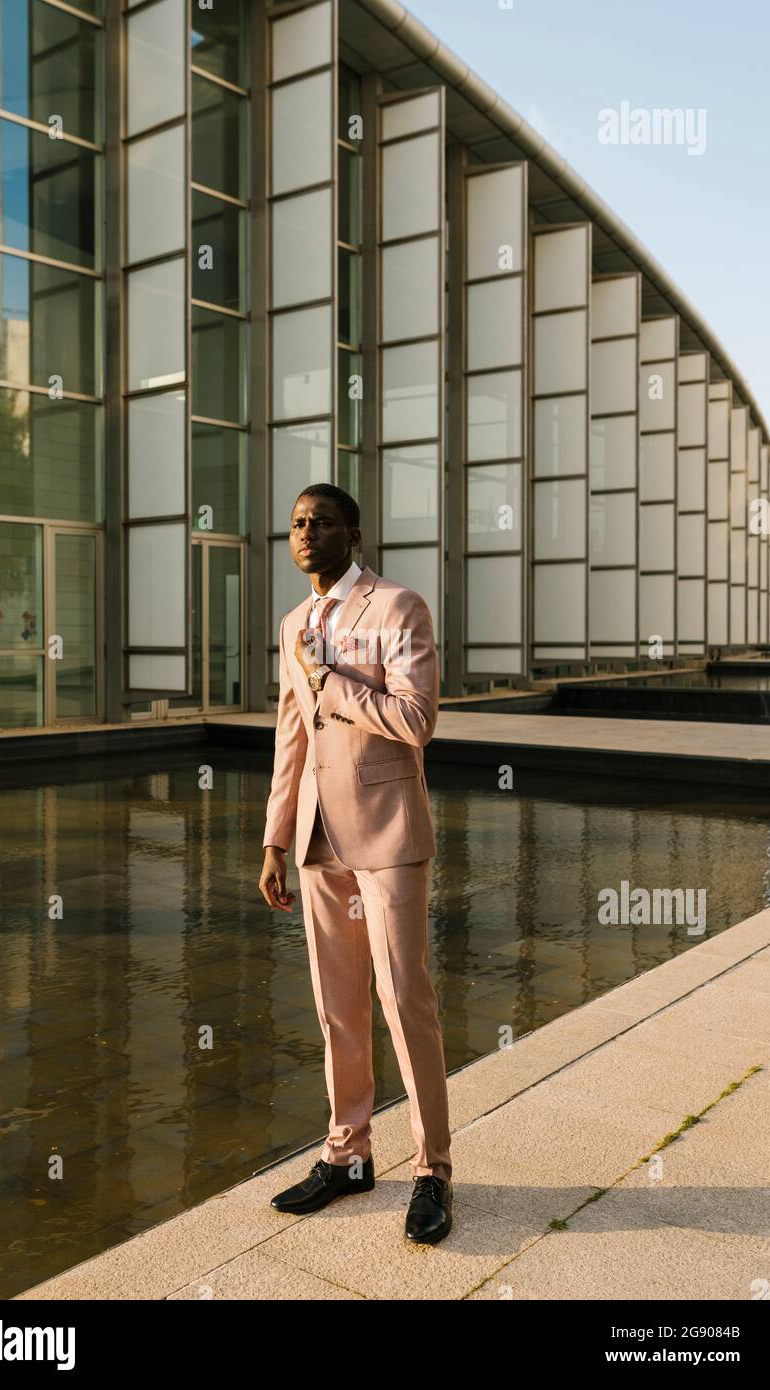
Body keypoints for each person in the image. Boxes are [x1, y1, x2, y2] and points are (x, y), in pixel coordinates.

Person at [258, 483, 453, 1245]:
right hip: (316, 839)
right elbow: (290, 737)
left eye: (322, 521)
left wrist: (328, 680)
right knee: (336, 1004)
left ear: (354, 533)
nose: (307, 532)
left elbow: (417, 720)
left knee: (405, 999)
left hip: (388, 833)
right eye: (297, 523)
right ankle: (348, 1155)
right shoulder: (293, 624)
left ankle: (432, 1169)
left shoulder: (398, 607)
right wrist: (275, 838)